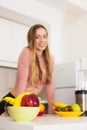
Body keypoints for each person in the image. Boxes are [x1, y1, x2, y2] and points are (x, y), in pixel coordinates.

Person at [0, 24, 55, 116]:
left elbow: (50, 84)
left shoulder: (50, 59)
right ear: (32, 39)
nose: (42, 40)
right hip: (14, 100)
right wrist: (18, 107)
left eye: (45, 36)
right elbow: (22, 81)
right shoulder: (26, 52)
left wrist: (53, 110)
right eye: (37, 37)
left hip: (30, 103)